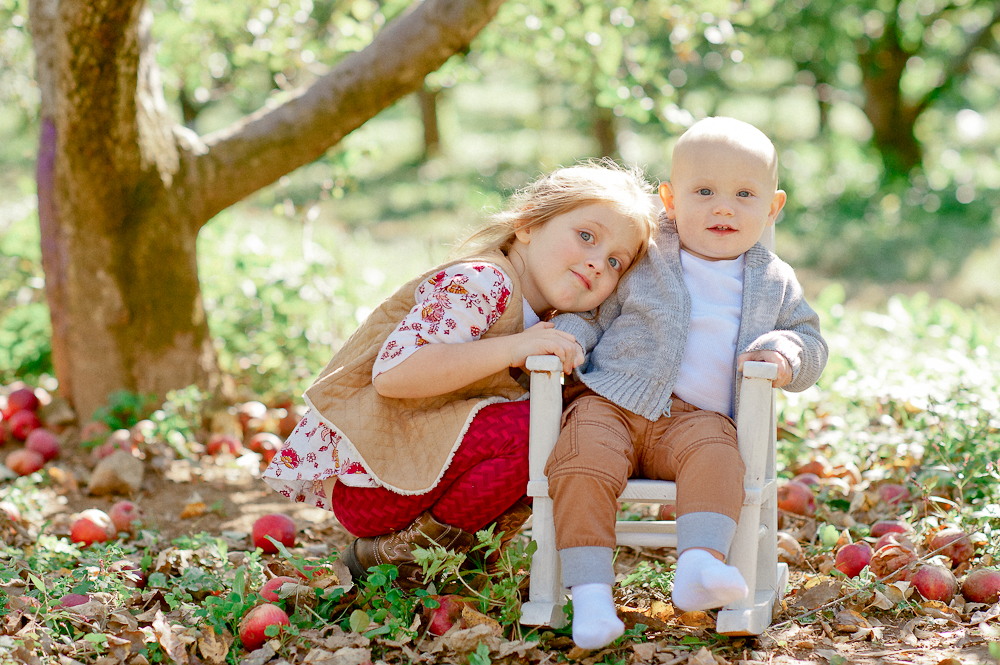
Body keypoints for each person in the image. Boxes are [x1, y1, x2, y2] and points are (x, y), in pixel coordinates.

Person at [262, 160, 659, 588]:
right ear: (528, 224)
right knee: (537, 427)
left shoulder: (549, 319)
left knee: (562, 426)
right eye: (586, 236)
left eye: (617, 262)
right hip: (378, 481)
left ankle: (464, 556)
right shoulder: (482, 283)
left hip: (422, 471)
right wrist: (511, 348)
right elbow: (394, 373)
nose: (598, 263)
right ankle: (409, 556)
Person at [547, 118, 829, 649]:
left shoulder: (774, 280)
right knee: (581, 462)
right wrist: (565, 336)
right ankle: (589, 597)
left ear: (772, 207)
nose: (723, 207)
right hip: (609, 401)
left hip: (698, 420)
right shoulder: (645, 257)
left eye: (745, 194)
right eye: (704, 192)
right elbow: (593, 311)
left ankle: (698, 567)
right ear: (670, 200)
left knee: (722, 458)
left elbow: (809, 341)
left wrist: (786, 354)